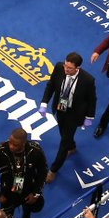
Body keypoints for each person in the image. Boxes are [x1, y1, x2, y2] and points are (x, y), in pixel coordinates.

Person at [40, 52, 97, 182]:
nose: (66, 69)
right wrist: (44, 103)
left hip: (75, 113)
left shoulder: (88, 80)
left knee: (64, 141)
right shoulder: (59, 67)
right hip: (60, 108)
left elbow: (92, 100)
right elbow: (51, 85)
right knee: (63, 133)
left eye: (69, 68)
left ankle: (53, 170)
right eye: (65, 66)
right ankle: (72, 147)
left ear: (78, 68)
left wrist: (90, 116)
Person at [0, 128, 48, 218]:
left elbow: (43, 172)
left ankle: (26, 213)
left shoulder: (35, 151)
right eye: (10, 142)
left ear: (24, 143)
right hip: (8, 190)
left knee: (29, 205)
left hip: (28, 187)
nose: (11, 146)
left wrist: (36, 193)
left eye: (15, 145)